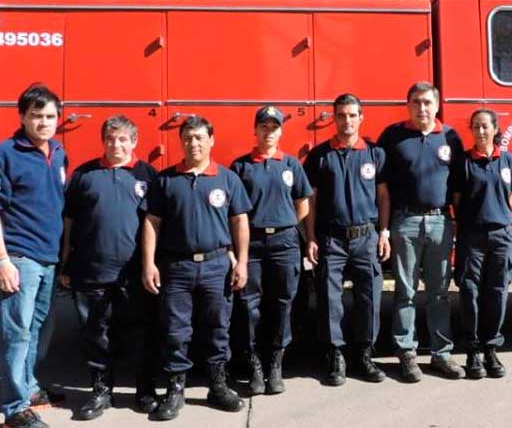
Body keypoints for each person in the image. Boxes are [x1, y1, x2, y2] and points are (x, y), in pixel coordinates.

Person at [141, 115, 251, 421]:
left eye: (200, 137)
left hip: (217, 265)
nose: (194, 143)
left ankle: (218, 386)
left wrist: (241, 261)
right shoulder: (165, 180)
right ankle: (176, 390)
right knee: (176, 331)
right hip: (176, 267)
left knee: (218, 328)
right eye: (188, 138)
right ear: (181, 141)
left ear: (211, 140)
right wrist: (148, 263)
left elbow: (240, 221)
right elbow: (151, 223)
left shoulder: (227, 179)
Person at [0, 84, 67, 428]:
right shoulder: (2, 155)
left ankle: (29, 389)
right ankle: (15, 409)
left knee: (40, 329)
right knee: (17, 334)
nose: (43, 122)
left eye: (49, 116)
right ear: (22, 116)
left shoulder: (58, 153)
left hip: (49, 258)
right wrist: (2, 260)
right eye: (36, 115)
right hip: (20, 258)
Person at [60, 115, 159, 419]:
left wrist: (151, 264)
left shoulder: (148, 175)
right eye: (110, 139)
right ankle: (101, 391)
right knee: (96, 333)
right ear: (103, 141)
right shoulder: (84, 175)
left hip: (134, 272)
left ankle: (145, 389)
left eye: (122, 139)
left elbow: (156, 224)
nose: (116, 144)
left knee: (142, 332)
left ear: (134, 141)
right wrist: (65, 263)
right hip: (91, 270)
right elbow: (69, 222)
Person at [378, 81, 465, 382]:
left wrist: (459, 223)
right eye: (416, 102)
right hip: (405, 222)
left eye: (427, 102)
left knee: (440, 293)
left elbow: (457, 187)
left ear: (437, 105)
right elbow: (383, 189)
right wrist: (385, 229)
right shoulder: (393, 136)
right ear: (408, 105)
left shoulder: (450, 137)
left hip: (441, 222)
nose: (422, 108)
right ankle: (407, 354)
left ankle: (442, 354)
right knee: (405, 292)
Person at [303, 93, 391, 386]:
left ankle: (364, 354)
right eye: (341, 115)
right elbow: (310, 202)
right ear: (334, 118)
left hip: (366, 237)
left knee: (370, 297)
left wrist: (384, 231)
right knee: (330, 300)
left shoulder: (375, 154)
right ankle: (335, 355)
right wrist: (311, 237)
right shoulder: (319, 156)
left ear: (361, 117)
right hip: (332, 239)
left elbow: (383, 196)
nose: (347, 120)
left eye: (352, 115)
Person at [230, 106, 312, 395]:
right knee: (248, 305)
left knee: (282, 303)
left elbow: (303, 204)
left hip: (285, 243)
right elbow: (233, 212)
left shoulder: (291, 165)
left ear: (281, 131)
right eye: (263, 126)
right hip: (250, 244)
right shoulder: (240, 167)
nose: (269, 131)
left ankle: (275, 364)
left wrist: (284, 222)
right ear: (255, 130)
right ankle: (254, 365)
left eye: (274, 127)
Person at [453, 109, 512, 379]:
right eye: (476, 127)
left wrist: (499, 215)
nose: (480, 132)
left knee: (497, 291)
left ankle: (491, 349)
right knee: (469, 292)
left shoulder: (508, 161)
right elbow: (456, 199)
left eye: (485, 127)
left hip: (502, 236)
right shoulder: (463, 163)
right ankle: (472, 351)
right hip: (472, 236)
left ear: (495, 129)